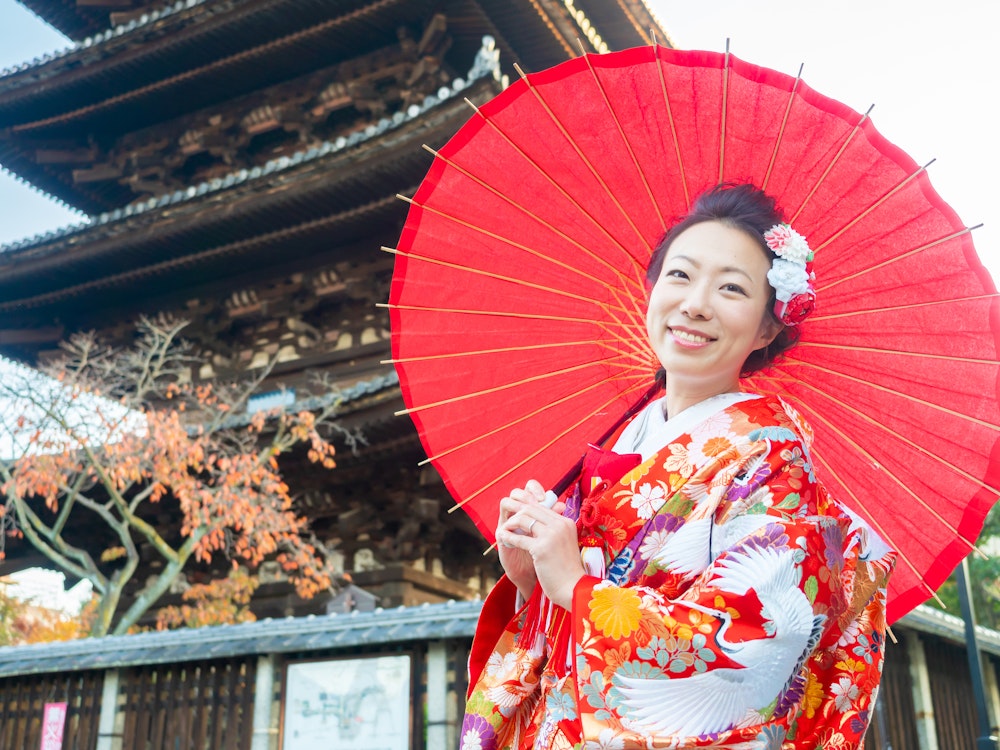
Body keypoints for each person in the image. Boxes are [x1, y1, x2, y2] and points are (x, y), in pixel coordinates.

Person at [460, 183, 896, 750]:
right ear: (652, 291)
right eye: (680, 275)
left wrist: (576, 586)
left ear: (768, 327)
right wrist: (533, 581)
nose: (695, 304)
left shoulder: (772, 458)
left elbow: (757, 638)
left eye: (732, 288)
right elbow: (565, 617)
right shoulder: (630, 431)